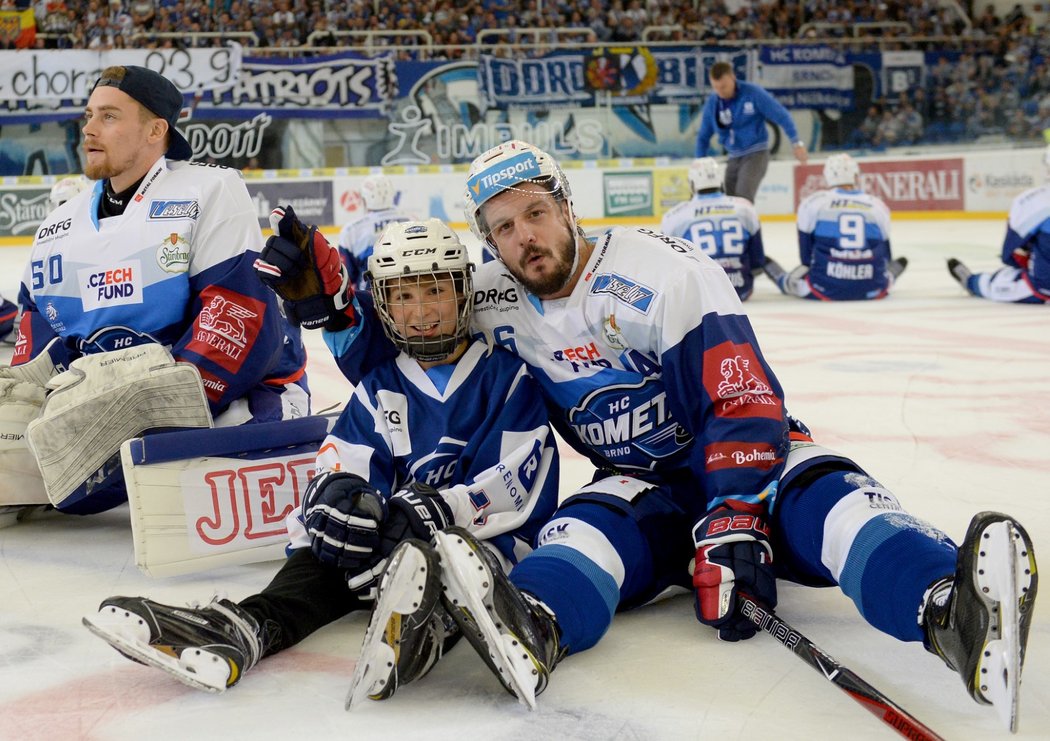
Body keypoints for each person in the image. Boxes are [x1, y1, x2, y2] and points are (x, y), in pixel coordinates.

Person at [252, 140, 1037, 725]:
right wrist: (326, 303)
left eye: (535, 212)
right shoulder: (492, 293)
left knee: (834, 501)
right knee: (577, 537)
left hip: (752, 458)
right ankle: (534, 626)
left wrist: (732, 514)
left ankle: (949, 608)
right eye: (504, 227)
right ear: (489, 243)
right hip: (647, 484)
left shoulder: (663, 269)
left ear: (566, 206)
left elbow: (740, 394)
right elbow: (408, 357)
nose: (526, 236)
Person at [82, 219, 561, 700]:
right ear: (384, 305)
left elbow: (515, 482)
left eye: (435, 290)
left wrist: (434, 510)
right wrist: (341, 500)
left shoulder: (507, 378)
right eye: (403, 296)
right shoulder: (380, 385)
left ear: (463, 293)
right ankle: (244, 628)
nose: (421, 313)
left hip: (484, 546)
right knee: (328, 549)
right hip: (396, 545)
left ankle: (426, 631)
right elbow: (346, 461)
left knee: (456, 566)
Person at [1, 65, 308, 515]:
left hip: (226, 399)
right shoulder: (56, 226)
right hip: (102, 408)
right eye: (88, 115)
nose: (88, 128)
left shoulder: (208, 190)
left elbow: (239, 320)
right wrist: (38, 406)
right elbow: (41, 343)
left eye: (109, 116)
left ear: (155, 129)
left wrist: (152, 409)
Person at [764, 153, 908, 301]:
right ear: (856, 176)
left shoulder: (813, 202)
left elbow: (806, 258)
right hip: (873, 288)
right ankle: (892, 274)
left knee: (792, 282)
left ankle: (780, 277)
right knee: (886, 277)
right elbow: (886, 255)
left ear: (827, 176)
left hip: (825, 288)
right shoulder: (877, 205)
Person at [947, 145, 1050, 303]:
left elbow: (1010, 252)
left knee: (1001, 282)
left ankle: (973, 282)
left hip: (1043, 287)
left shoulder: (1034, 202)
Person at [694, 61, 808, 203]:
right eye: (715, 87)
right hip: (733, 156)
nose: (720, 92)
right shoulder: (713, 102)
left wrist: (796, 142)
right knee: (728, 201)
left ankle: (750, 225)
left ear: (733, 78)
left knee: (743, 198)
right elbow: (703, 136)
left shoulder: (753, 93)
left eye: (723, 87)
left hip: (756, 153)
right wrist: (699, 162)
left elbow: (781, 115)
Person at [659, 157, 767, 300]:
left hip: (702, 293)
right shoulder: (745, 207)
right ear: (720, 181)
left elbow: (667, 263)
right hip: (741, 288)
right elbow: (757, 260)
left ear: (692, 184)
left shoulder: (674, 216)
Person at [337, 174, 414, 291]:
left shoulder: (351, 230)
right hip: (410, 288)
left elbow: (347, 276)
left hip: (370, 295)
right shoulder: (412, 220)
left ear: (364, 199)